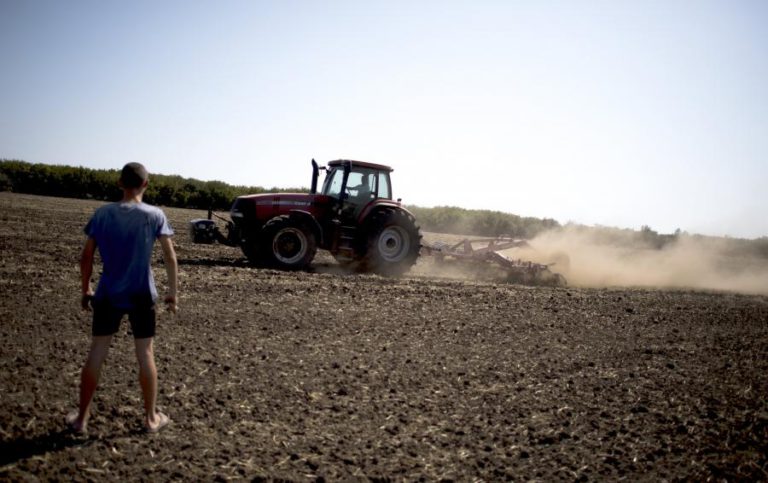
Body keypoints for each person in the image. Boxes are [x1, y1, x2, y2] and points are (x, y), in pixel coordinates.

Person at [67, 162, 178, 434]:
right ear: (146, 184)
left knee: (97, 351)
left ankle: (81, 419)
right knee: (145, 353)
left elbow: (86, 256)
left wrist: (86, 288)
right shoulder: (155, 215)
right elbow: (169, 256)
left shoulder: (103, 214)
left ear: (119, 183)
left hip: (108, 293)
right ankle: (151, 419)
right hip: (142, 294)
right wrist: (172, 293)